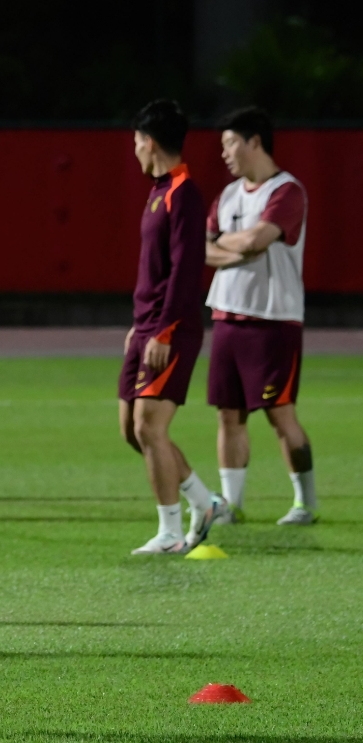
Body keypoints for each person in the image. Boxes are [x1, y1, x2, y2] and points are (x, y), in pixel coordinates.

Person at [118, 99, 228, 555]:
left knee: (149, 427)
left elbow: (185, 272)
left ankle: (169, 532)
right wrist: (139, 327)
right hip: (145, 326)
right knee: (132, 430)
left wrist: (163, 331)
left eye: (136, 142)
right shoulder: (158, 191)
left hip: (171, 329)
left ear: (149, 141)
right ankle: (204, 501)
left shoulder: (183, 193)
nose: (134, 151)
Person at [204, 107, 316, 526]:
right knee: (228, 414)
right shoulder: (228, 195)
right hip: (227, 314)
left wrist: (227, 243)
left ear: (254, 142)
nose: (224, 153)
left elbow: (258, 239)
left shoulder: (287, 191)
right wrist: (237, 246)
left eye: (230, 143)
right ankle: (231, 506)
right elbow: (203, 247)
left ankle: (305, 502)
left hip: (273, 318)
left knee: (279, 413)